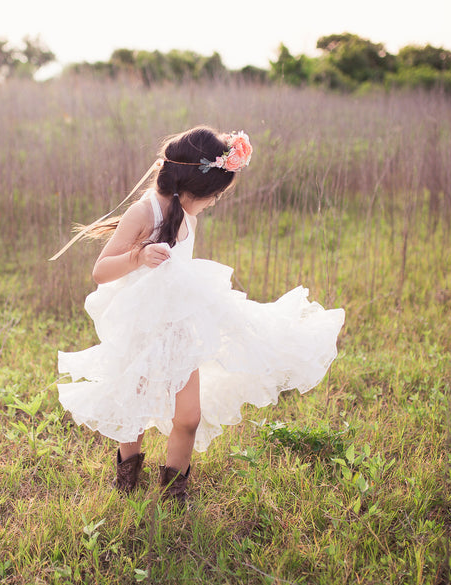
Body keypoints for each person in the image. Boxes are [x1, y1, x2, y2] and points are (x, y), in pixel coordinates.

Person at [54, 126, 344, 504]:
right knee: (135, 410)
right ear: (192, 185)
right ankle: (126, 481)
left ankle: (174, 493)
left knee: (188, 416)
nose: (213, 202)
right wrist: (138, 257)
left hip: (178, 326)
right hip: (144, 328)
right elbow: (100, 270)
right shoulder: (144, 211)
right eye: (213, 196)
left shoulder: (187, 214)